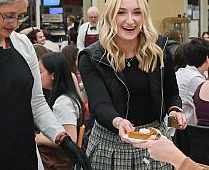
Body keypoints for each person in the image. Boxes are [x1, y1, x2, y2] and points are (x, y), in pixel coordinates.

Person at [0, 0, 89, 169]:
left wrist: (62, 138)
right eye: (9, 16)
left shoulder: (23, 45)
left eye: (21, 17)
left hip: (18, 154)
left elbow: (37, 103)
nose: (15, 24)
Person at [78, 0, 187, 169]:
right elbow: (100, 103)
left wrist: (174, 111)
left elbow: (172, 94)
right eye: (121, 13)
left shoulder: (159, 50)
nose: (130, 20)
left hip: (154, 143)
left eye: (137, 13)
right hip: (110, 146)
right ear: (109, 16)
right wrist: (118, 121)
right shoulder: (92, 56)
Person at [36, 52, 85, 169]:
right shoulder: (65, 98)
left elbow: (70, 139)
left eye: (40, 72)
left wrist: (40, 138)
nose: (37, 76)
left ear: (52, 75)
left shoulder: (63, 103)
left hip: (59, 163)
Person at [175, 38, 209, 126]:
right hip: (182, 131)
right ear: (207, 58)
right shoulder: (195, 79)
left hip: (175, 127)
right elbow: (206, 109)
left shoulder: (183, 72)